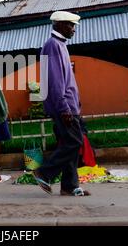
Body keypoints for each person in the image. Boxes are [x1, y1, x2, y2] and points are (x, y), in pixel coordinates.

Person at [33, 11, 91, 197]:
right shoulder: (53, 45)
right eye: (70, 25)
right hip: (63, 106)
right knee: (75, 142)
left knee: (70, 143)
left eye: (73, 26)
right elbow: (55, 80)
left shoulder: (60, 45)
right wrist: (64, 107)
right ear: (58, 24)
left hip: (69, 105)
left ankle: (69, 186)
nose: (73, 29)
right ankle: (44, 172)